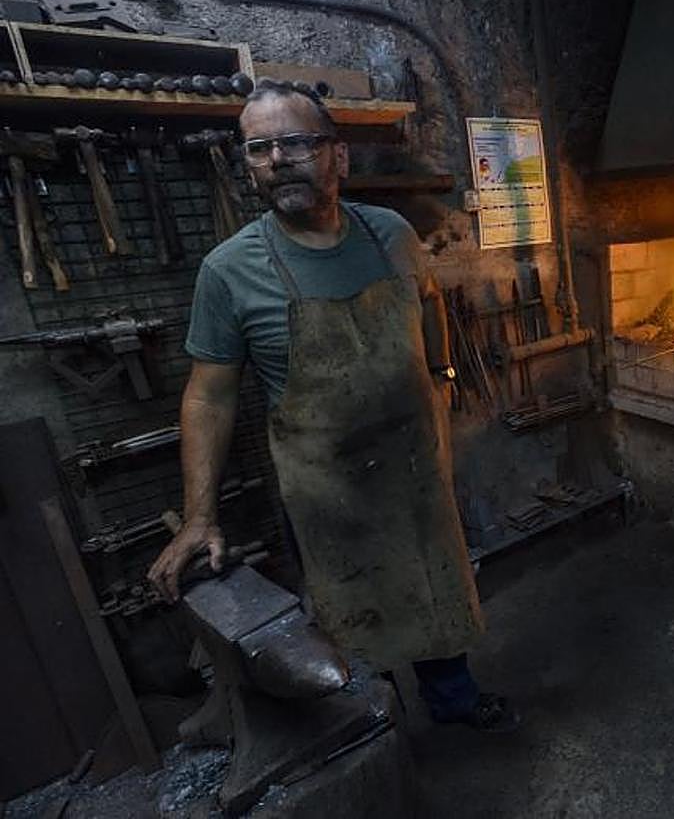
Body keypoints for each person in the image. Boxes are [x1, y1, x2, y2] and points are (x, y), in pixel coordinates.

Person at [147, 79, 517, 732]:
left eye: (295, 142)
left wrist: (443, 374)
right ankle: (377, 734)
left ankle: (455, 705)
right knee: (352, 625)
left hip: (414, 476)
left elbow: (430, 305)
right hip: (326, 497)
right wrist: (199, 518)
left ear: (337, 157)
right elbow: (209, 395)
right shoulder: (230, 270)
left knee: (435, 599)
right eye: (258, 149)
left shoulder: (392, 234)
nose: (277, 159)